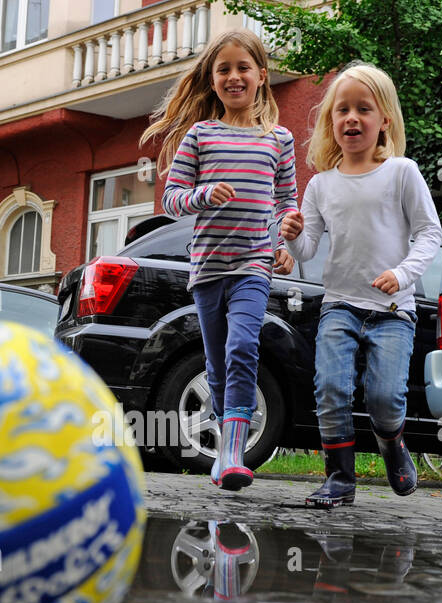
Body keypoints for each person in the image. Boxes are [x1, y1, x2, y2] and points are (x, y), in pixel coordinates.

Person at [142, 29, 298, 491]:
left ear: (261, 77)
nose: (234, 76)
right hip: (208, 266)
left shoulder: (278, 139)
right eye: (223, 70)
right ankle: (223, 443)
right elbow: (171, 200)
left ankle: (232, 452)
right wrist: (203, 195)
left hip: (253, 263)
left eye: (243, 68)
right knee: (215, 362)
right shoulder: (201, 135)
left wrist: (285, 241)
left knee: (242, 347)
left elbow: (286, 201)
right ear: (212, 81)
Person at [282, 63, 442, 507]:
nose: (351, 118)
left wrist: (403, 273)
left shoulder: (402, 172)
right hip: (339, 305)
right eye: (342, 110)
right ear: (331, 122)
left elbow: (430, 233)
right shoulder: (320, 185)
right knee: (330, 389)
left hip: (393, 311)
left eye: (363, 109)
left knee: (385, 398)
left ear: (384, 120)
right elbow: (308, 251)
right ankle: (339, 479)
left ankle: (392, 443)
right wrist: (293, 234)